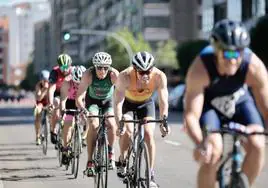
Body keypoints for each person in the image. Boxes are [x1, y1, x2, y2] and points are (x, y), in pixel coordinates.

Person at [184, 19, 268, 188]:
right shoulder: (200, 69)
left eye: (238, 54)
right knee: (212, 151)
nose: (233, 60)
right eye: (228, 54)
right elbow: (191, 115)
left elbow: (266, 107)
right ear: (216, 51)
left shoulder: (254, 67)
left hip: (240, 101)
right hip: (210, 106)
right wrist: (200, 143)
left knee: (258, 144)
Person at [113, 51, 170, 187]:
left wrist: (164, 121)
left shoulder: (159, 76)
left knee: (149, 134)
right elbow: (118, 102)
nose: (145, 75)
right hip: (127, 104)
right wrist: (119, 123)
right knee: (127, 131)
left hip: (146, 104)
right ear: (134, 69)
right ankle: (122, 159)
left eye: (148, 72)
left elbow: (163, 101)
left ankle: (150, 175)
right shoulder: (124, 76)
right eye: (141, 72)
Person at [76, 52, 119, 176]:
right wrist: (84, 110)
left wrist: (119, 110)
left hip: (108, 102)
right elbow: (79, 97)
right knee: (94, 125)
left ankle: (110, 153)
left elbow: (122, 92)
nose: (102, 70)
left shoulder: (114, 74)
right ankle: (90, 161)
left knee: (111, 122)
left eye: (106, 67)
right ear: (95, 67)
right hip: (92, 102)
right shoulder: (88, 75)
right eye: (99, 67)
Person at [60, 65, 86, 165]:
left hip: (81, 102)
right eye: (76, 83)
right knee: (68, 123)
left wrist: (85, 112)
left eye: (80, 83)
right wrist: (63, 111)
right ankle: (65, 149)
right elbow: (63, 100)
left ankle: (83, 137)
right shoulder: (67, 82)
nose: (78, 85)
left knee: (89, 118)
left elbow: (87, 100)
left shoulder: (87, 84)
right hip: (69, 102)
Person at [48, 53, 72, 145]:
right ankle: (53, 130)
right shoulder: (55, 72)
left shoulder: (73, 71)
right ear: (59, 66)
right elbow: (51, 89)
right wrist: (50, 103)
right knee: (56, 103)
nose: (65, 69)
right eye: (62, 67)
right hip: (58, 93)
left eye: (67, 67)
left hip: (69, 93)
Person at [34, 70, 50, 145]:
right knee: (38, 114)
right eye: (43, 80)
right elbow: (39, 98)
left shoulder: (51, 84)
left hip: (48, 102)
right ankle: (37, 136)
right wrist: (44, 90)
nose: (45, 82)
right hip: (40, 102)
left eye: (46, 80)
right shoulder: (38, 85)